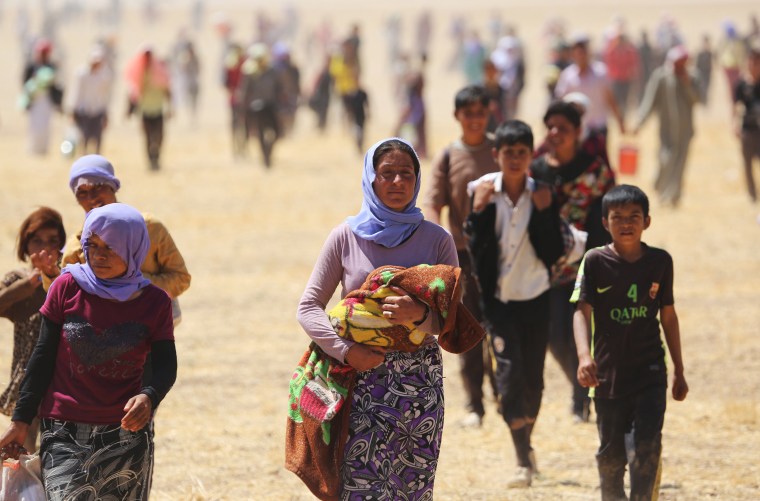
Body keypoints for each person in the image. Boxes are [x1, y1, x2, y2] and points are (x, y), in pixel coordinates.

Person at [296, 138, 458, 498]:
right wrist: (346, 351)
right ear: (371, 178)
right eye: (387, 173)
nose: (397, 181)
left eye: (406, 173)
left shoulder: (437, 241)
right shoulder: (345, 237)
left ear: (417, 180)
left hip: (420, 385)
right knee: (359, 484)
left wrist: (420, 316)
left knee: (411, 486)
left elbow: (452, 321)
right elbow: (308, 307)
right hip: (359, 378)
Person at [0, 203, 178, 500]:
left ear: (133, 248)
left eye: (111, 246)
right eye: (92, 245)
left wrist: (149, 395)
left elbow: (166, 366)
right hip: (64, 432)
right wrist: (20, 421)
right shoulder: (66, 287)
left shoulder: (155, 302)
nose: (99, 254)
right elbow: (42, 357)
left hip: (126, 436)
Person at [572, 184, 688, 501]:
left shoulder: (660, 262)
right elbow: (581, 312)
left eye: (634, 216)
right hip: (607, 376)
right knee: (611, 457)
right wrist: (584, 357)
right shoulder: (594, 261)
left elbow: (669, 317)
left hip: (650, 372)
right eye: (618, 217)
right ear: (605, 223)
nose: (626, 223)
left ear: (647, 221)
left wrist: (678, 368)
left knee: (646, 449)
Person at [465, 120, 565, 488]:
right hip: (499, 301)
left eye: (523, 153)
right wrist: (477, 212)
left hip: (535, 297)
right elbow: (475, 250)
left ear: (530, 155)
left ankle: (526, 442)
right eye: (509, 153)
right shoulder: (480, 190)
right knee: (508, 376)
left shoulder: (544, 193)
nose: (516, 159)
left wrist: (542, 214)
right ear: (497, 155)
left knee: (534, 382)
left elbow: (554, 251)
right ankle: (522, 459)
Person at [531, 101, 616, 422]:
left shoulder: (595, 171)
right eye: (550, 127)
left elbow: (613, 216)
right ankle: (582, 387)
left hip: (589, 266)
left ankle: (583, 398)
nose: (555, 133)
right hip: (547, 269)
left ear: (578, 132)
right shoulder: (537, 170)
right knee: (554, 335)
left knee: (584, 333)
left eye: (563, 128)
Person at [40, 155, 190, 330]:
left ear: (113, 188)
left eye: (98, 187)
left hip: (152, 327)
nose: (91, 197)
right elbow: (63, 298)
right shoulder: (77, 245)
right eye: (82, 192)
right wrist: (51, 275)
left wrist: (134, 286)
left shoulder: (150, 228)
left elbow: (181, 278)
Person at [424, 84, 498, 428]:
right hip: (464, 257)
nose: (474, 120)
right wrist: (436, 251)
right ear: (457, 116)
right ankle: (475, 405)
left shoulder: (502, 150)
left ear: (489, 113)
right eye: (468, 113)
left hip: (502, 256)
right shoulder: (449, 156)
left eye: (480, 113)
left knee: (502, 327)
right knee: (468, 331)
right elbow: (433, 203)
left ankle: (504, 395)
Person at [0, 208, 66, 453]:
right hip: (27, 378)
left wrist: (51, 277)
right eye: (37, 240)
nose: (44, 248)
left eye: (52, 241)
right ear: (25, 244)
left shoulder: (66, 279)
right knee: (22, 451)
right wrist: (27, 285)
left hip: (60, 377)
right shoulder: (17, 279)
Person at [634, 45, 700, 207]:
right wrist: (640, 122)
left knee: (680, 163)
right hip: (666, 130)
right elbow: (649, 101)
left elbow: (697, 99)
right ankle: (660, 185)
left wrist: (686, 83)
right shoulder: (661, 76)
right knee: (666, 160)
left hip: (686, 131)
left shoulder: (692, 77)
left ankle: (674, 197)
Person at [555, 33, 626, 152]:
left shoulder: (601, 73)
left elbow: (610, 99)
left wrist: (620, 122)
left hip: (598, 128)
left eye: (583, 52)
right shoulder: (567, 76)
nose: (581, 56)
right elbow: (561, 102)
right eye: (578, 52)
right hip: (575, 130)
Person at [125, 45, 172, 171]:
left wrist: (171, 107)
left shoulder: (160, 71)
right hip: (145, 111)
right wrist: (129, 110)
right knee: (147, 137)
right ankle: (151, 160)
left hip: (158, 109)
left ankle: (157, 157)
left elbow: (167, 90)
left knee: (159, 137)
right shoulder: (139, 73)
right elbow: (133, 93)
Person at [239, 43, 282, 168]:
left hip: (271, 105)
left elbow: (278, 88)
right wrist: (243, 107)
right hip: (256, 107)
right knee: (261, 133)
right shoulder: (250, 72)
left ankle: (268, 151)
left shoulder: (272, 71)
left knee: (277, 132)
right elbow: (245, 91)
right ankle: (265, 157)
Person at [20, 37, 63, 155]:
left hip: (47, 101)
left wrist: (58, 103)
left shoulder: (52, 67)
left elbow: (56, 86)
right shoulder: (31, 67)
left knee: (46, 126)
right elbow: (24, 83)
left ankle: (44, 150)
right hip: (34, 101)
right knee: (33, 126)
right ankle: (33, 149)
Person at [69, 45, 114, 154]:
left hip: (98, 110)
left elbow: (105, 96)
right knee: (84, 135)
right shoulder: (81, 74)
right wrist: (73, 109)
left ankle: (97, 157)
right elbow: (77, 92)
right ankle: (83, 155)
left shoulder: (105, 76)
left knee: (98, 137)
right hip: (84, 110)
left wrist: (106, 113)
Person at [732, 41, 760, 203]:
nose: (753, 65)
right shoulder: (742, 84)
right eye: (751, 61)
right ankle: (752, 196)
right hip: (748, 130)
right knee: (747, 164)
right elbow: (735, 105)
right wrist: (734, 124)